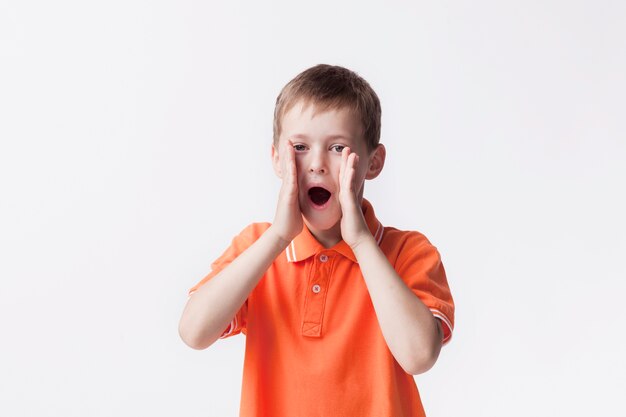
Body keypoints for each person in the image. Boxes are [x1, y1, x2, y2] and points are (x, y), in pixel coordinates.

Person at [178, 64, 455, 417]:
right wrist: (278, 237)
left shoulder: (408, 252)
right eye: (301, 146)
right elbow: (193, 331)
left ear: (373, 162)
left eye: (337, 147)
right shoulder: (258, 247)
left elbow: (418, 356)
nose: (317, 164)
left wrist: (360, 242)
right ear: (277, 159)